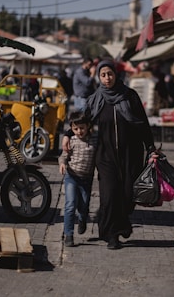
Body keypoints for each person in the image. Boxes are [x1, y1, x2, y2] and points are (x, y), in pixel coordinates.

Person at [62, 59, 157, 250]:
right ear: (99, 77)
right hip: (105, 156)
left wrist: (151, 148)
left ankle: (122, 224)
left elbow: (142, 123)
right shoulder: (96, 99)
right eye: (103, 75)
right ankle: (111, 235)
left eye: (110, 74)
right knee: (109, 195)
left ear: (116, 74)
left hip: (131, 153)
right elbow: (80, 121)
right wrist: (67, 135)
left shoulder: (130, 96)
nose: (107, 78)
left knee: (127, 195)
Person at [58, 110, 98, 247]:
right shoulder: (72, 141)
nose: (79, 131)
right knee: (70, 205)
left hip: (86, 179)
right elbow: (63, 155)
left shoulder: (95, 139)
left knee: (84, 205)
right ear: (71, 129)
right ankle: (68, 234)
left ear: (88, 126)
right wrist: (62, 163)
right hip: (72, 176)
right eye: (75, 129)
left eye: (82, 128)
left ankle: (82, 219)